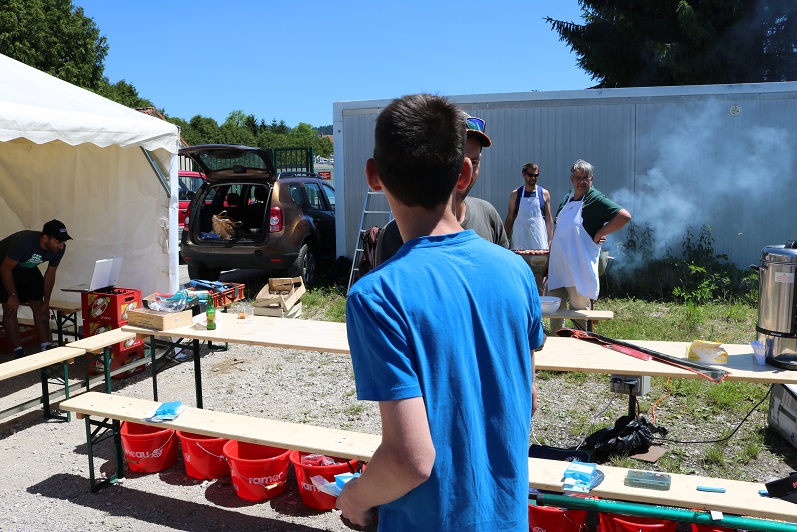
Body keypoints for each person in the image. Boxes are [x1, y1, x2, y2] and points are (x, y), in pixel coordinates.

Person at [338, 94, 544, 531]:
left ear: (374, 176)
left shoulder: (376, 296)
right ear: (464, 173)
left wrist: (355, 497)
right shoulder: (516, 272)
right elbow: (524, 401)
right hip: (506, 518)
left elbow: (409, 460)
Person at [373, 113, 509, 266]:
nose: (467, 171)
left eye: (474, 162)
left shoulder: (488, 215)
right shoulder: (396, 234)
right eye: (456, 162)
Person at [547, 160, 631, 332]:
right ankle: (556, 342)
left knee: (579, 311)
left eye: (585, 178)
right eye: (578, 178)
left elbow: (624, 216)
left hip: (578, 267)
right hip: (558, 266)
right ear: (572, 179)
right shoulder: (568, 198)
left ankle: (581, 343)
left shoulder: (595, 198)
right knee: (555, 310)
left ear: (591, 179)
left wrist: (600, 232)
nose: (581, 181)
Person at [0, 220, 72, 358]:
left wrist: (46, 302)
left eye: (64, 242)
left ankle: (46, 347)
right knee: (10, 307)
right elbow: (5, 269)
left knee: (40, 307)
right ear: (45, 238)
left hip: (27, 268)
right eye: (58, 241)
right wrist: (13, 295)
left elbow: (50, 274)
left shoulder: (59, 249)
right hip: (3, 267)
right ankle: (18, 352)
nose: (61, 246)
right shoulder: (24, 242)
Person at [504, 162, 554, 293]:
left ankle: (540, 304)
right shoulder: (515, 194)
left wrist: (551, 239)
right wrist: (504, 239)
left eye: (536, 175)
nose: (533, 178)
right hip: (520, 242)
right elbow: (510, 218)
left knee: (540, 278)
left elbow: (549, 218)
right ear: (524, 174)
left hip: (539, 242)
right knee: (519, 275)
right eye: (530, 175)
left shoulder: (544, 194)